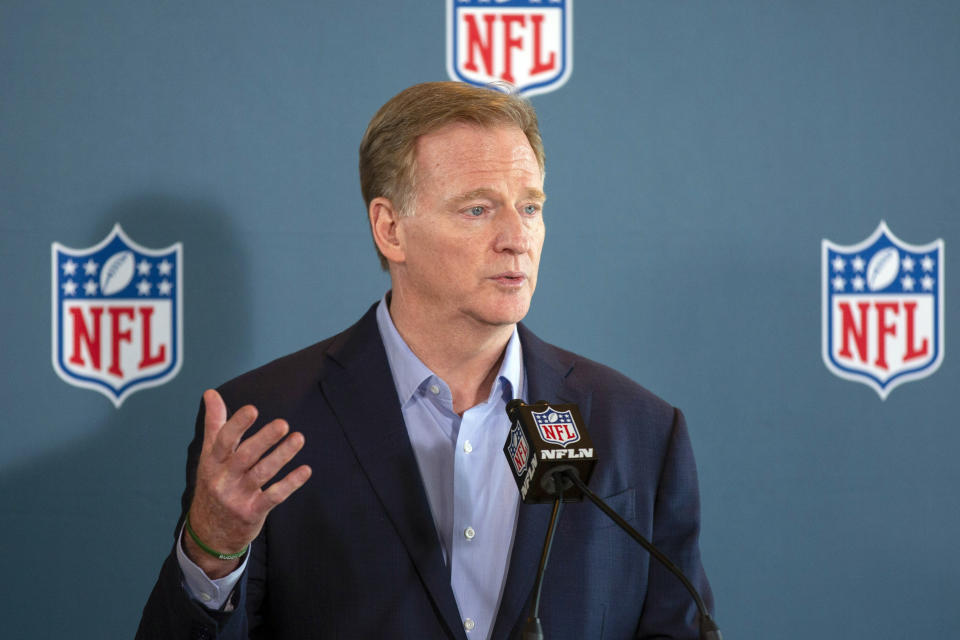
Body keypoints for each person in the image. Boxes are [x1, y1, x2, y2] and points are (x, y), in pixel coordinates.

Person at [137, 81, 714, 639]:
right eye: (478, 210)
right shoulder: (265, 425)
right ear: (391, 229)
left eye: (531, 206)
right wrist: (210, 554)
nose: (517, 237)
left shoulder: (638, 429)